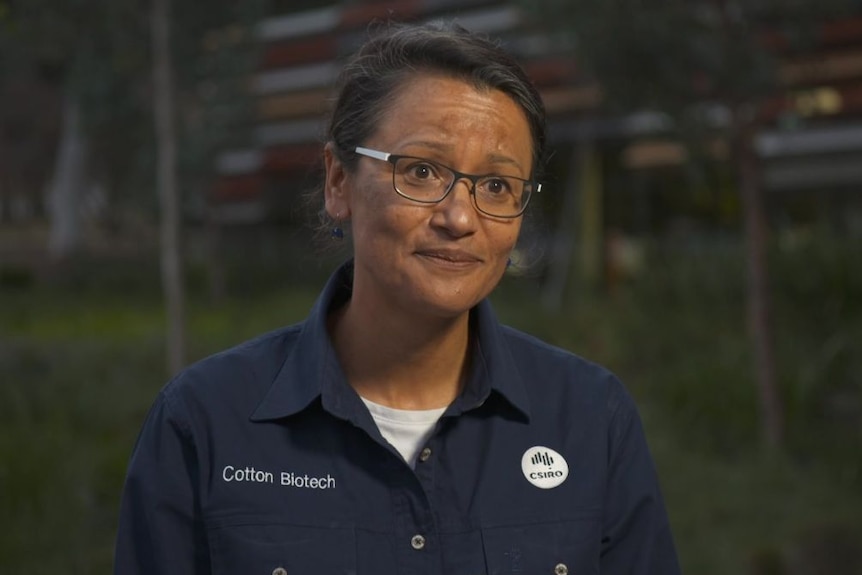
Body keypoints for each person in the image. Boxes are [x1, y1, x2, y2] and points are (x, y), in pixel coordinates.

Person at [114, 21, 680, 575]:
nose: (460, 218)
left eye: (497, 186)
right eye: (423, 171)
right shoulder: (204, 422)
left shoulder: (589, 418)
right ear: (339, 182)